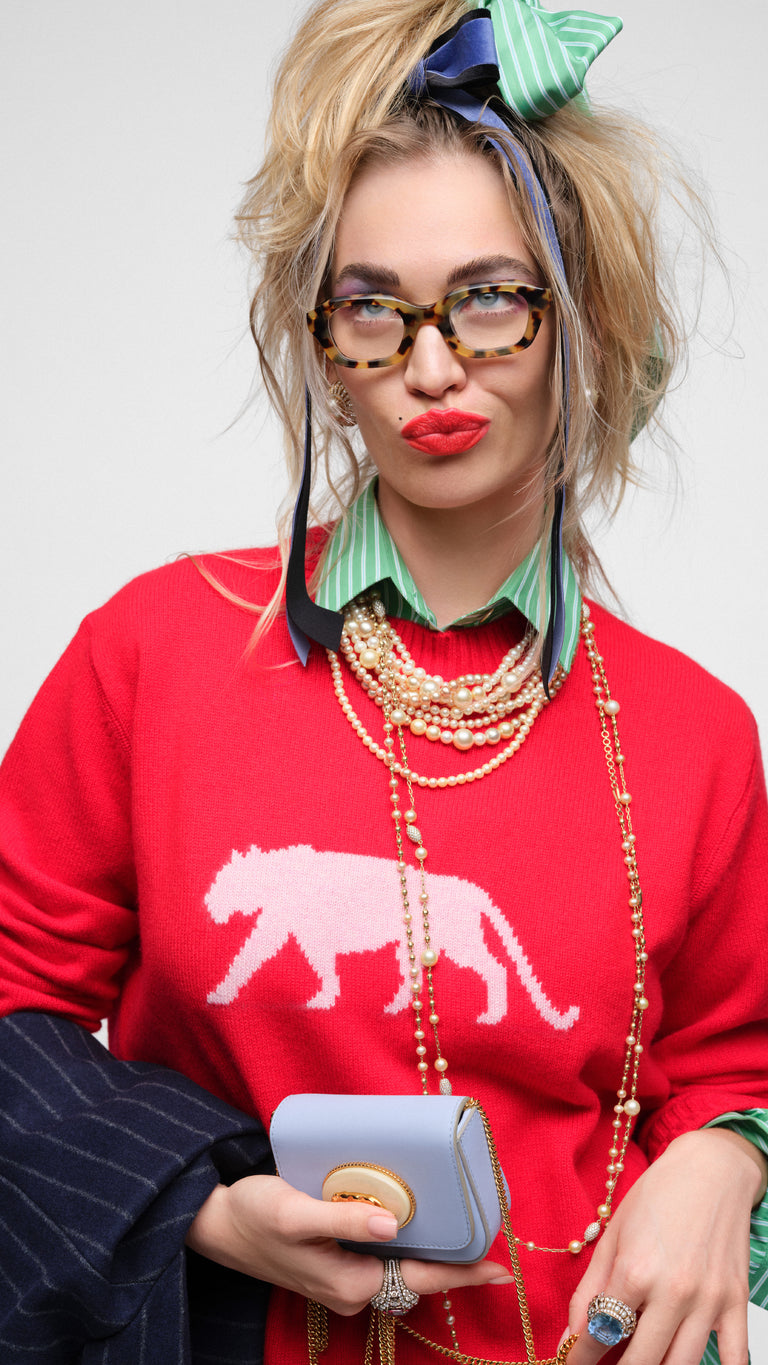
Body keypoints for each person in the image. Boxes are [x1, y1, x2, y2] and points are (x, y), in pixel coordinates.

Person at [1, 1, 767, 1364]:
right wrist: (200, 1202)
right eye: (371, 309)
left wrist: (727, 1154)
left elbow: (733, 1056)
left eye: (492, 299)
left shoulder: (694, 733)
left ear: (587, 322)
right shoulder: (157, 649)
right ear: (321, 343)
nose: (430, 366)